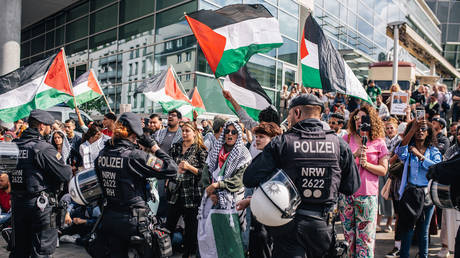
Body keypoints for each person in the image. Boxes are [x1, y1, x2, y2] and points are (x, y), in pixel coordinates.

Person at [243, 94, 360, 258]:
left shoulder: (282, 143)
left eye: (289, 114)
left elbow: (249, 178)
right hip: (322, 226)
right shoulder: (339, 144)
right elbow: (351, 187)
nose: (288, 119)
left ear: (297, 112)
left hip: (287, 224)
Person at [94, 112, 177, 257]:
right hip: (132, 221)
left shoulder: (102, 154)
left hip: (109, 217)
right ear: (134, 136)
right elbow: (172, 168)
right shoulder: (135, 156)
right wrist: (153, 146)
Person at [10, 109, 72, 257]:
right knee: (42, 252)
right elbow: (66, 174)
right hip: (41, 207)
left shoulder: (13, 145)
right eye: (49, 126)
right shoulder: (43, 148)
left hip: (18, 204)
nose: (50, 130)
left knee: (20, 251)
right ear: (42, 126)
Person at [340, 105, 389, 257]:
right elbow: (338, 166)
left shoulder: (379, 142)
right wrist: (354, 154)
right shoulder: (346, 139)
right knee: (349, 239)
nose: (359, 121)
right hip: (347, 194)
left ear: (370, 121)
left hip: (367, 195)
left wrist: (366, 164)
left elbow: (383, 170)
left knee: (365, 241)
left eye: (363, 118)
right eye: (356, 118)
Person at [199, 121, 252, 258]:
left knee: (232, 240)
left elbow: (239, 180)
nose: (230, 134)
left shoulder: (243, 154)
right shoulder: (215, 150)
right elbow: (206, 174)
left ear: (238, 135)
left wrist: (217, 185)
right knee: (211, 238)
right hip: (212, 202)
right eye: (227, 131)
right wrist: (209, 192)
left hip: (234, 203)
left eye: (234, 132)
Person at [395, 120, 442, 258]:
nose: (420, 131)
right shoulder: (408, 148)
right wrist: (411, 129)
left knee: (423, 231)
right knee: (407, 230)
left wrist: (420, 156)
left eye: (423, 129)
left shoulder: (433, 151)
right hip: (410, 193)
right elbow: (399, 152)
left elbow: (436, 168)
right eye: (417, 129)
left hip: (427, 194)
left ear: (428, 133)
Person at [236, 122, 282, 258]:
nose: (257, 139)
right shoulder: (263, 158)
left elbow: (274, 191)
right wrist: (250, 200)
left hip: (269, 219)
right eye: (256, 136)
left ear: (273, 139)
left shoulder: (275, 160)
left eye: (261, 136)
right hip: (259, 214)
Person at [165, 122, 207, 258]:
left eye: (187, 131)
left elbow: (205, 174)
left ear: (195, 132)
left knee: (191, 229)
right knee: (168, 226)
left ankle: (188, 254)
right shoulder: (176, 147)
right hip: (175, 193)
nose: (184, 133)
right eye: (183, 131)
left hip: (192, 194)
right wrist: (171, 173)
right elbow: (168, 165)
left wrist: (190, 167)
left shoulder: (201, 150)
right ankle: (164, 252)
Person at [154, 109, 183, 219]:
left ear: (179, 119)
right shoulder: (159, 133)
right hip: (158, 169)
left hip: (173, 170)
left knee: (170, 197)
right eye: (169, 115)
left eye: (174, 115)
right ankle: (158, 220)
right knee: (158, 196)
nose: (170, 117)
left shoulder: (182, 134)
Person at [437, 126, 460, 258]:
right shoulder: (452, 150)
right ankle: (445, 246)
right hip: (452, 193)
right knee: (447, 221)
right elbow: (444, 165)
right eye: (459, 134)